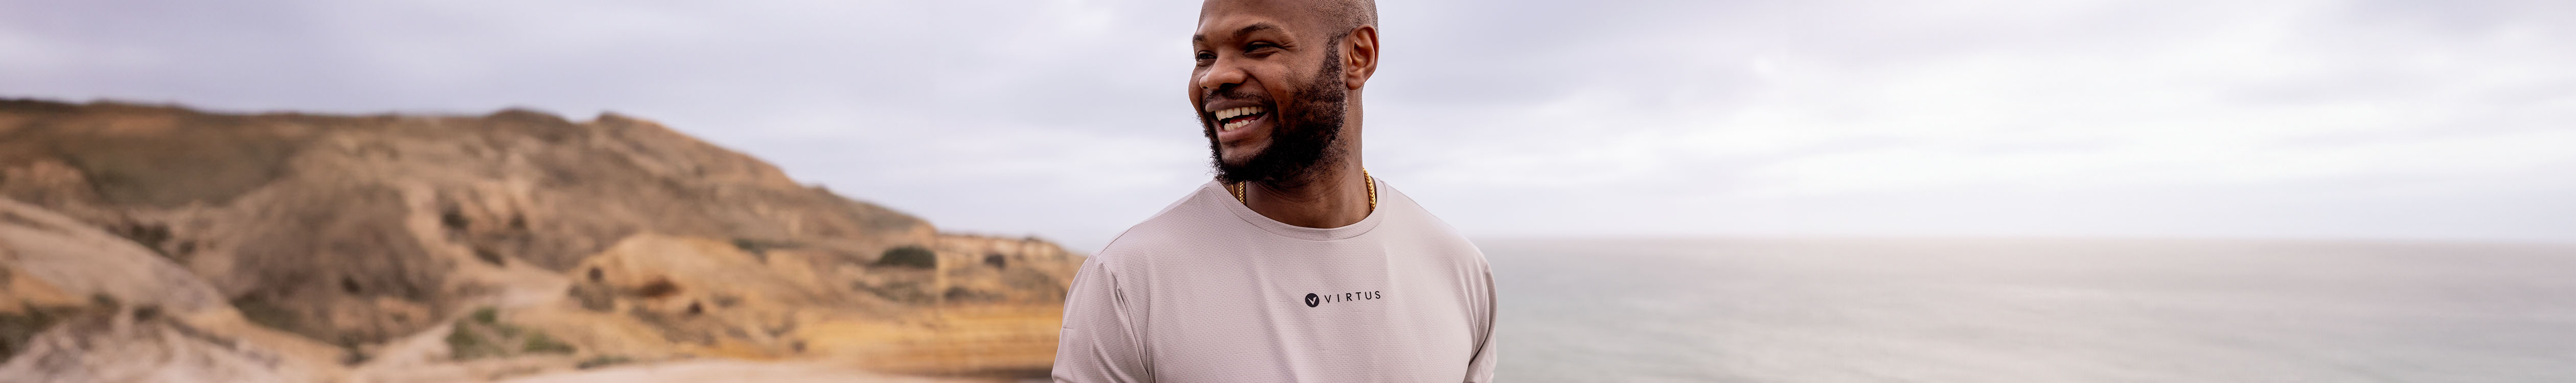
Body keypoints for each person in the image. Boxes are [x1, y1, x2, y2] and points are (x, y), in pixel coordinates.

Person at [1050, 0, 1497, 381]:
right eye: (1205, 55)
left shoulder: (1458, 269)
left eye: (1257, 46)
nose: (1213, 78)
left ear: (1357, 56)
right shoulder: (1129, 280)